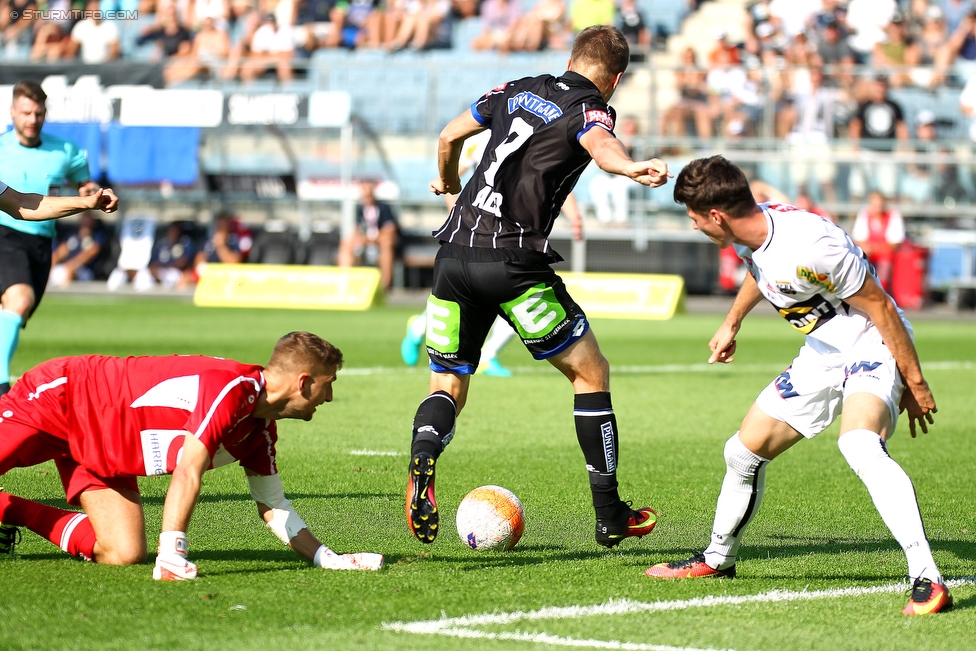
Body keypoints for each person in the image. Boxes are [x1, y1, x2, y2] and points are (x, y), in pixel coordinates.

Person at [646, 155, 951, 617]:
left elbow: (882, 308)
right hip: (823, 351)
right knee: (742, 451)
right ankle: (717, 559)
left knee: (860, 445)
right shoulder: (754, 228)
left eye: (693, 219)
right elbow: (759, 269)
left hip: (871, 338)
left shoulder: (811, 247)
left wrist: (914, 381)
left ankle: (927, 577)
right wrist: (732, 322)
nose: (693, 227)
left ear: (717, 216)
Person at [406, 25, 670, 548]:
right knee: (590, 372)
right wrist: (632, 167)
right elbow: (601, 147)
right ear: (614, 79)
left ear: (571, 58)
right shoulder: (593, 107)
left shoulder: (515, 87)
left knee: (448, 386)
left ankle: (425, 457)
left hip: (454, 256)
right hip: (514, 264)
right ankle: (610, 512)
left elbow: (448, 137)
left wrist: (450, 180)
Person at [0, 332, 384, 576]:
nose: (330, 397)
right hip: (64, 398)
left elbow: (273, 505)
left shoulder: (261, 430)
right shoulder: (233, 388)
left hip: (101, 448)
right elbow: (188, 470)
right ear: (303, 383)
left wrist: (326, 558)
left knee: (122, 551)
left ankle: (6, 510)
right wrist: (173, 553)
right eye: (327, 385)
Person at [0, 81, 108, 397]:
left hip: (40, 241)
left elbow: (25, 204)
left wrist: (91, 198)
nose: (32, 119)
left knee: (14, 312)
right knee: (19, 301)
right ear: (12, 113)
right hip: (4, 235)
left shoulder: (67, 151)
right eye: (26, 113)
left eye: (38, 113)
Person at [337, 180, 400, 291]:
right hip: (366, 244)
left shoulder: (383, 208)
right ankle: (345, 284)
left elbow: (390, 230)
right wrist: (357, 239)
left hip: (379, 244)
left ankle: (385, 286)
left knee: (386, 244)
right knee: (346, 243)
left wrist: (371, 239)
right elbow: (357, 229)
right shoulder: (360, 209)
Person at [852, 191, 905, 292]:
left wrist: (876, 249)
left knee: (884, 265)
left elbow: (894, 243)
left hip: (886, 255)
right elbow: (859, 239)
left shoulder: (893, 216)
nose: (877, 207)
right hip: (869, 254)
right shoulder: (864, 215)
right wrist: (868, 249)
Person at [49, 213, 108, 287]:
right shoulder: (73, 235)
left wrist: (72, 266)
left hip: (85, 271)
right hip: (66, 267)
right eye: (84, 218)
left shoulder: (97, 237)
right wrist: (51, 264)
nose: (86, 221)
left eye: (89, 219)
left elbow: (91, 252)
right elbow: (61, 252)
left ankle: (65, 292)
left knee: (72, 271)